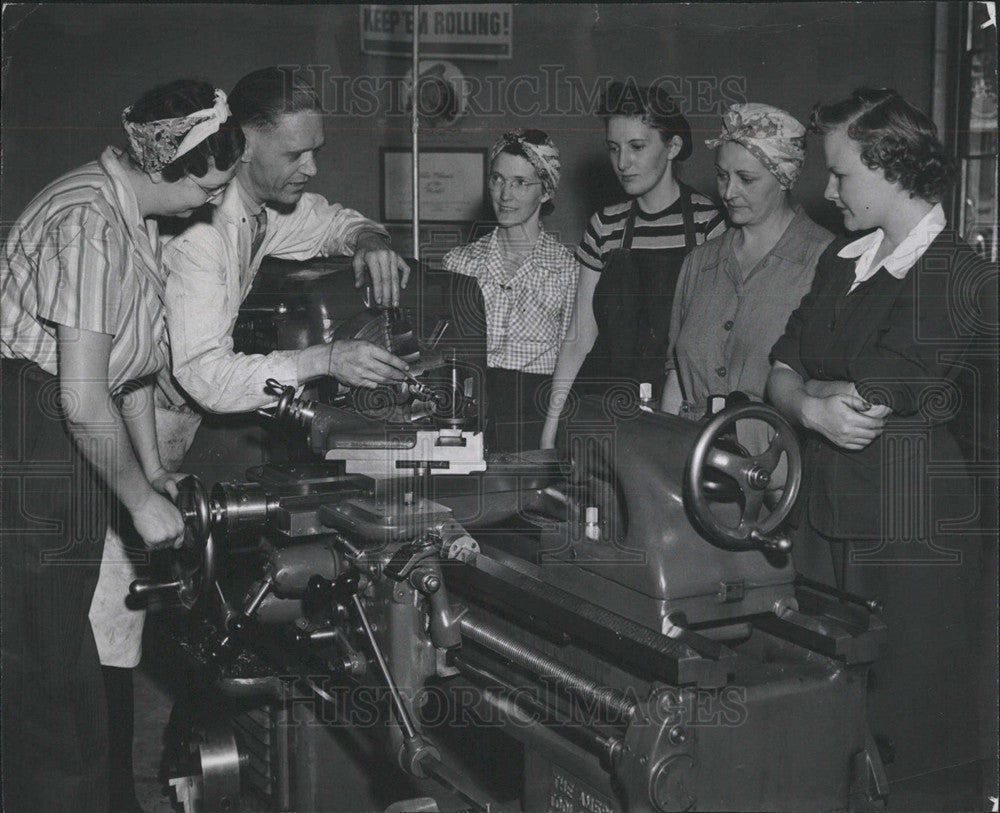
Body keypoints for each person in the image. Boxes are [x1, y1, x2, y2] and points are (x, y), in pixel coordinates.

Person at [84, 67, 413, 810]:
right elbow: (205, 375)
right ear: (246, 143)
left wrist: (370, 236)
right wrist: (326, 360)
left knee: (160, 621)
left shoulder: (259, 205)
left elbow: (327, 218)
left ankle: (162, 772)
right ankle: (117, 790)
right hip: (126, 428)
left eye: (317, 149)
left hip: (167, 427)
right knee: (112, 630)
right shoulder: (204, 227)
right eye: (295, 153)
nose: (312, 165)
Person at [1, 79, 244, 813]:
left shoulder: (132, 215)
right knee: (42, 672)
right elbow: (81, 394)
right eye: (210, 182)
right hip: (33, 432)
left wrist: (155, 468)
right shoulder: (90, 223)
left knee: (70, 661)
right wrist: (137, 501)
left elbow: (129, 370)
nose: (213, 199)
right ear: (170, 165)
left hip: (64, 428)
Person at [766, 88, 995, 778]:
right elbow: (777, 362)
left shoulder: (962, 276)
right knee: (821, 725)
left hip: (908, 537)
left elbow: (870, 400)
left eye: (842, 174)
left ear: (893, 168)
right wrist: (809, 404)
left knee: (907, 740)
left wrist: (808, 388)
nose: (829, 190)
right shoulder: (843, 260)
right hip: (823, 524)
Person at [540, 81, 725, 448]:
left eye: (637, 147)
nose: (622, 163)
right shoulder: (605, 225)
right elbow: (579, 338)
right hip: (603, 405)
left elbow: (712, 343)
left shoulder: (709, 225)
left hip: (677, 413)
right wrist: (550, 431)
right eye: (614, 148)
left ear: (672, 147)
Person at [661, 103, 833, 455]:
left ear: (785, 178)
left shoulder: (825, 261)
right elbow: (677, 377)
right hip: (694, 463)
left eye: (747, 179)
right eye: (722, 175)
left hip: (780, 473)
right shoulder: (700, 262)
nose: (728, 192)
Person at [443, 129, 578, 451]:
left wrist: (551, 438)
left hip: (534, 417)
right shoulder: (459, 264)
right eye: (498, 179)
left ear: (545, 192)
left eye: (520, 183)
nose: (505, 194)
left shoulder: (569, 271)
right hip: (466, 412)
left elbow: (571, 363)